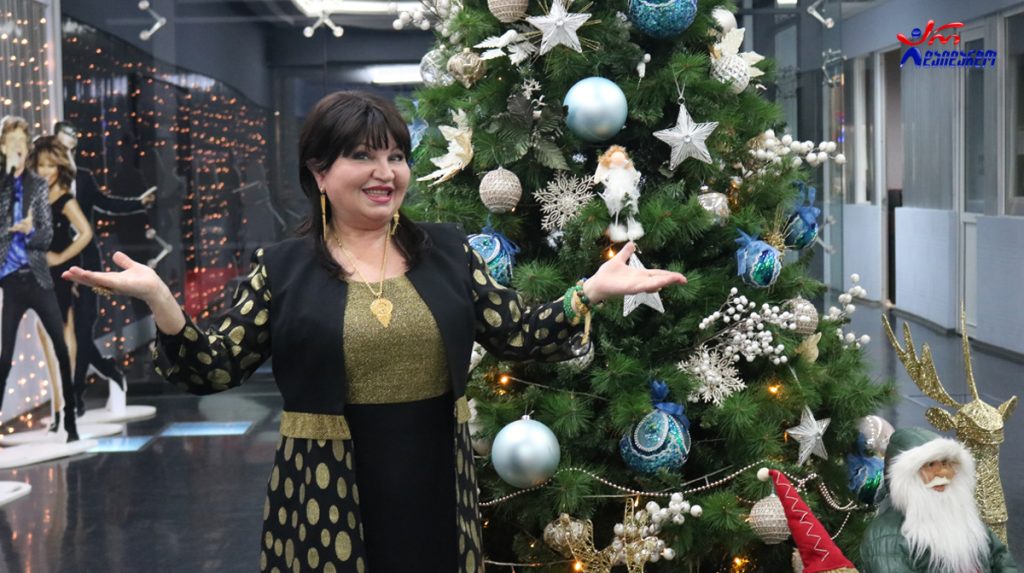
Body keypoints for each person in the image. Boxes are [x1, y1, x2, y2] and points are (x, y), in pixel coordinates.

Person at [61, 91, 687, 572]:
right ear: (319, 172)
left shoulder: (448, 251)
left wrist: (590, 290)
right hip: (326, 489)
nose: (385, 172)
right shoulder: (282, 268)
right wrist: (160, 299)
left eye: (395, 156)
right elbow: (213, 367)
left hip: (435, 483)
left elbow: (519, 334)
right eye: (362, 155)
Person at [54, 121, 152, 413]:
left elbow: (105, 202)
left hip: (86, 262)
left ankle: (76, 398)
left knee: (84, 329)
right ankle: (111, 374)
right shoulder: (45, 182)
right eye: (62, 148)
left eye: (71, 149)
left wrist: (137, 203)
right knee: (67, 333)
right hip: (57, 264)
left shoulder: (83, 178)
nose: (67, 154)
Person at [0, 116, 78, 441]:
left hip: (38, 277)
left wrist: (32, 230)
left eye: (22, 141)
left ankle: (71, 421)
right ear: (3, 146)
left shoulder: (37, 185)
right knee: (5, 357)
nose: (18, 147)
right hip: (10, 280)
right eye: (12, 142)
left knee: (60, 346)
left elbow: (46, 235)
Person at [859, 427, 1017, 573]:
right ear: (906, 477)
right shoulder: (888, 535)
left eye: (946, 463)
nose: (944, 473)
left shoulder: (965, 519)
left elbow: (1001, 557)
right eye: (930, 465)